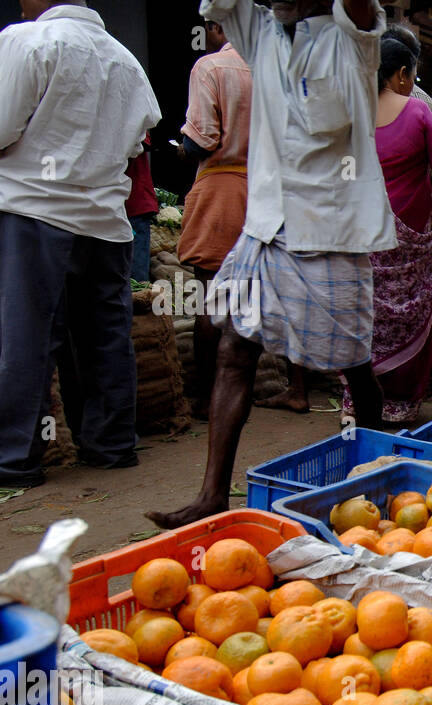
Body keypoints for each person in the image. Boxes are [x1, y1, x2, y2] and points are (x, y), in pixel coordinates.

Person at [148, 0, 394, 528]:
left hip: (331, 230)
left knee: (353, 365)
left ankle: (382, 474)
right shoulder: (261, 33)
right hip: (266, 224)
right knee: (236, 347)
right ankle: (213, 494)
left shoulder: (352, 37)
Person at [0, 0, 161, 490]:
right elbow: (137, 143)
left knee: (26, 337)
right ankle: (110, 445)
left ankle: (13, 458)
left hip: (34, 210)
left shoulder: (26, 40)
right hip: (104, 221)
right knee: (103, 336)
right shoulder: (125, 59)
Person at [342, 38, 432, 425]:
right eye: (412, 75)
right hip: (411, 234)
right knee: (409, 311)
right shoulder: (420, 112)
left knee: (367, 311)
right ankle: (400, 401)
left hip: (363, 231)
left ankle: (358, 399)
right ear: (402, 73)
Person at [176, 17, 253, 419]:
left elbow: (200, 139)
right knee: (247, 300)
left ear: (216, 25)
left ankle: (208, 399)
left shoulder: (210, 67)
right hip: (261, 194)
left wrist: (183, 147)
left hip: (221, 190)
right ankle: (241, 392)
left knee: (211, 298)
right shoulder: (270, 70)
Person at [384, 23, 432, 226]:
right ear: (407, 67)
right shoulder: (426, 108)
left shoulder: (359, 102)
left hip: (367, 223)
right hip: (413, 225)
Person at [125, 141, 158, 283]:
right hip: (109, 206)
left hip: (135, 204)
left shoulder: (128, 119)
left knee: (136, 281)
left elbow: (142, 142)